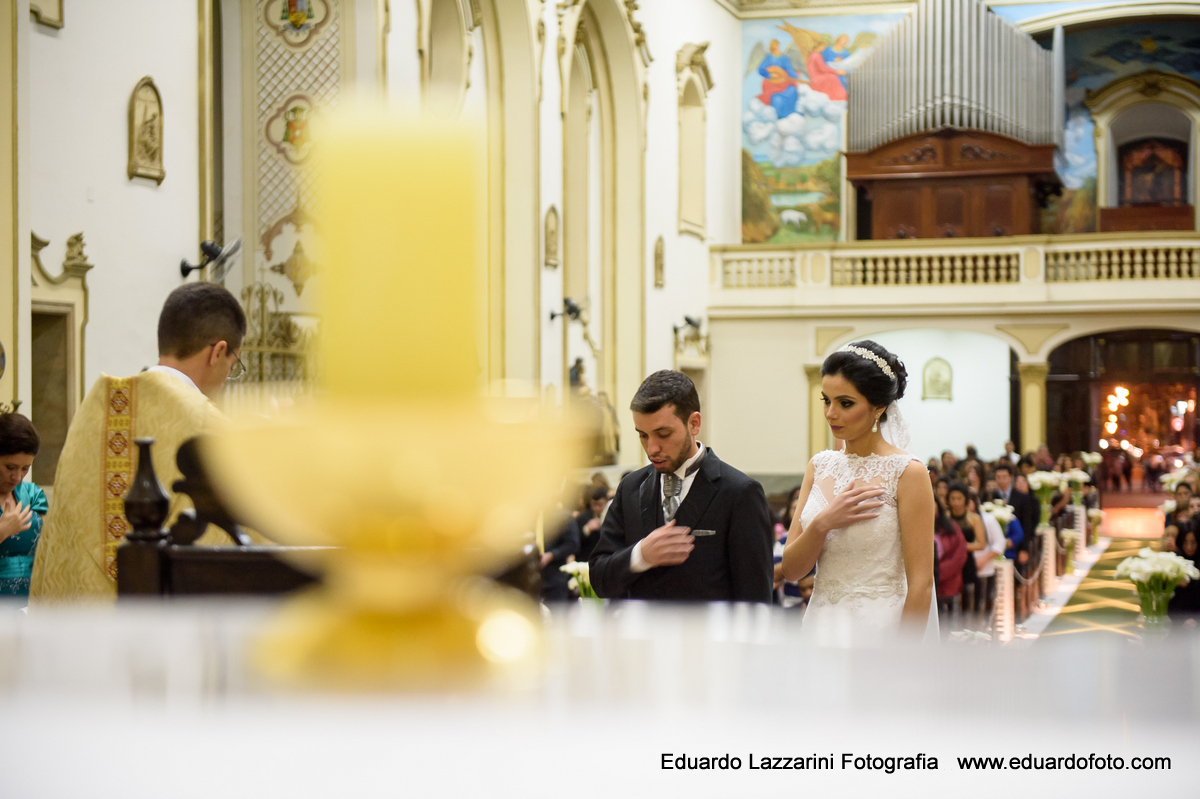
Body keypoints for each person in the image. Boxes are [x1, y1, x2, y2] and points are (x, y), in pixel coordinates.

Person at [31, 283, 248, 602]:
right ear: (218, 353)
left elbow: (59, 538)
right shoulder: (214, 433)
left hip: (80, 634)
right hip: (164, 638)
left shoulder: (90, 415)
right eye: (233, 366)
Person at [781, 340, 937, 643]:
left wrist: (902, 656)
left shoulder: (908, 472)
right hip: (822, 626)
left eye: (845, 403)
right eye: (826, 400)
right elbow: (791, 570)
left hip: (881, 630)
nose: (830, 413)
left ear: (878, 407)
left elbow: (921, 584)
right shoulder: (820, 465)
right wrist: (823, 523)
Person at [589, 370, 774, 602]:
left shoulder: (740, 492)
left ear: (694, 423)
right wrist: (640, 555)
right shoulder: (630, 487)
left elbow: (755, 600)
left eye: (663, 434)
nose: (652, 448)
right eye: (643, 435)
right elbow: (598, 578)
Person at [0, 414, 49, 599]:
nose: (17, 477)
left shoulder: (33, 495)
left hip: (32, 601)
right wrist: (3, 530)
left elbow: (48, 547)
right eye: (10, 467)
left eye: (25, 468)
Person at [947, 483, 986, 618]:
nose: (956, 502)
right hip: (948, 561)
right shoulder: (945, 517)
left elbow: (981, 544)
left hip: (967, 562)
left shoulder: (974, 518)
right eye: (953, 498)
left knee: (968, 599)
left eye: (959, 498)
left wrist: (960, 546)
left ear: (966, 499)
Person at [575, 486, 609, 563]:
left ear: (606, 502)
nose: (596, 508)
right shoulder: (583, 517)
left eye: (600, 505)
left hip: (606, 558)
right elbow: (574, 541)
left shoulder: (612, 516)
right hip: (587, 558)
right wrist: (586, 529)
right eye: (594, 504)